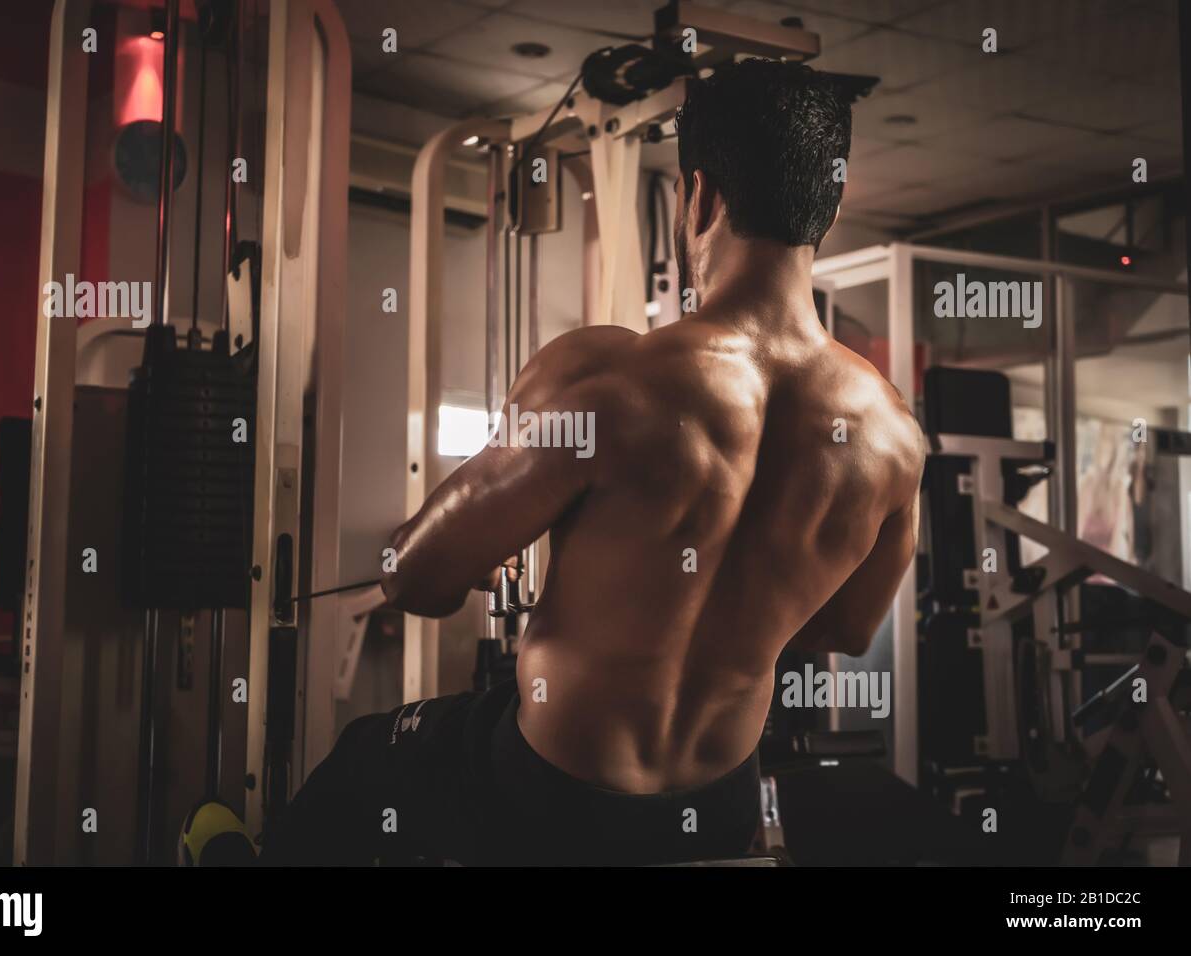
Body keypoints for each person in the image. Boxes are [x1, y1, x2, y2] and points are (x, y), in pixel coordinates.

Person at [259, 58, 926, 867]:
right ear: (832, 201)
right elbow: (845, 631)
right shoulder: (894, 436)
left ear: (701, 196)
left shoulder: (606, 377)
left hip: (550, 795)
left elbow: (419, 578)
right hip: (719, 805)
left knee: (367, 754)